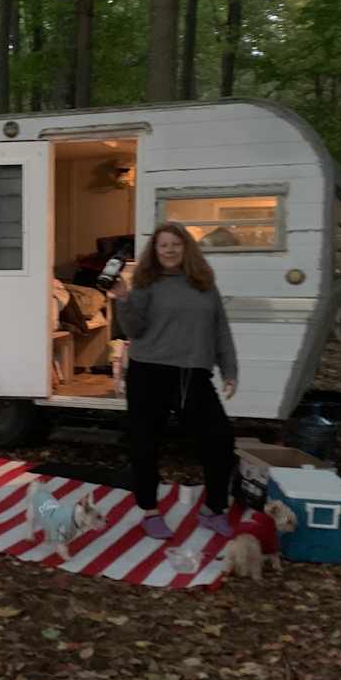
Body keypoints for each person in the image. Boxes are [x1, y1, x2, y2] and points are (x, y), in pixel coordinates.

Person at [110, 223, 238, 540]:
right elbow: (134, 330)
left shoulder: (204, 283)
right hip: (148, 372)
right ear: (154, 251)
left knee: (220, 440)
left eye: (175, 244)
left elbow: (220, 328)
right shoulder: (145, 282)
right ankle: (150, 511)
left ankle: (214, 509)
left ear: (186, 248)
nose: (168, 250)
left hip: (192, 375)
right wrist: (123, 299)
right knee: (145, 444)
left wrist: (230, 370)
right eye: (162, 245)